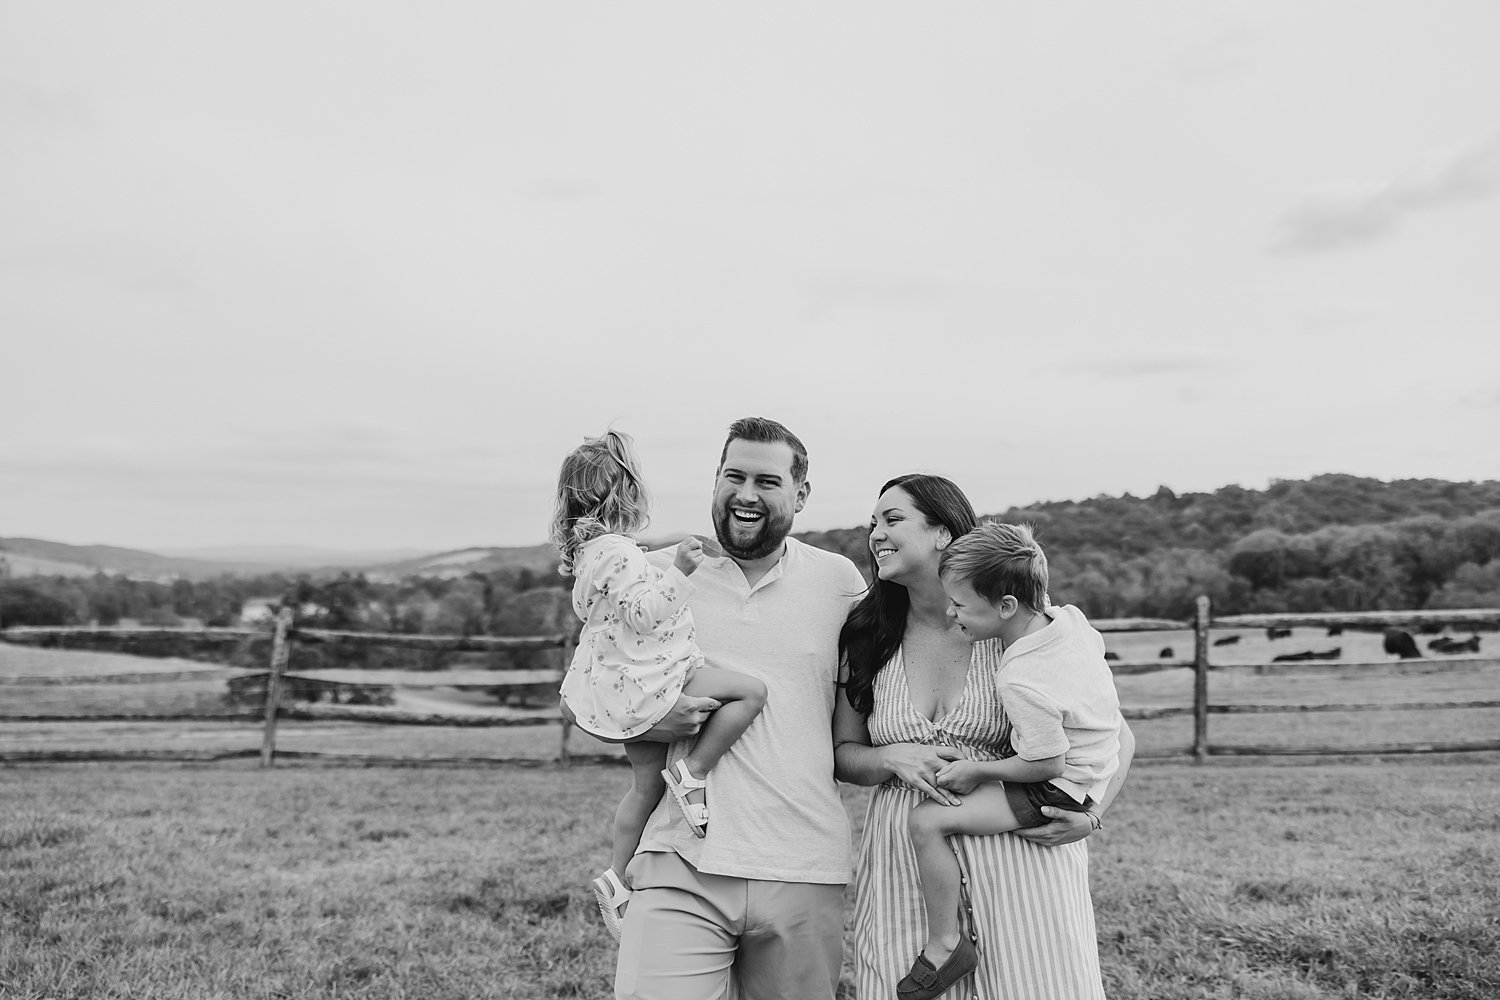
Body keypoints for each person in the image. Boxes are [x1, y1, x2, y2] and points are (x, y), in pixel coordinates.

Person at [833, 474, 1136, 1000]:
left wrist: (1090, 814)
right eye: (872, 524)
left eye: (892, 519)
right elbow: (845, 757)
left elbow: (1116, 735)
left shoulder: (1016, 625)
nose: (875, 535)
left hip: (1021, 860)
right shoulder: (865, 633)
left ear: (944, 533)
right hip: (908, 866)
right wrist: (891, 758)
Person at [603, 416, 868, 1000]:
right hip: (680, 856)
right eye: (734, 476)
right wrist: (649, 718)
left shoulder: (840, 583)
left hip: (804, 863)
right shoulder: (654, 575)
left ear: (800, 494)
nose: (746, 494)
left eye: (767, 482)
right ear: (716, 480)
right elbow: (593, 686)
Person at [549, 428, 768, 941]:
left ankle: (617, 877)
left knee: (643, 786)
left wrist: (674, 551)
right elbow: (644, 613)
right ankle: (693, 773)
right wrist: (685, 570)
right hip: (655, 680)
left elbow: (627, 581)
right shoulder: (619, 551)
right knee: (751, 692)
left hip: (619, 692)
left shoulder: (590, 555)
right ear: (626, 494)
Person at [899, 521, 1124, 1000]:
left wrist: (978, 769)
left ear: (1005, 607)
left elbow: (1046, 763)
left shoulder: (1019, 677)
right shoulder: (1071, 621)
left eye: (961, 605)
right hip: (1095, 769)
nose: (952, 612)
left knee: (926, 822)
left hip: (1059, 788)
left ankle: (946, 944)